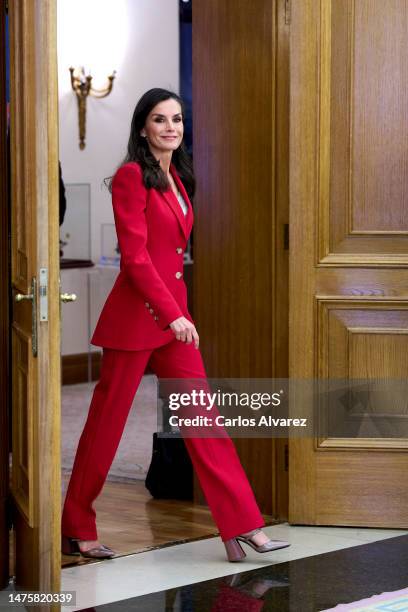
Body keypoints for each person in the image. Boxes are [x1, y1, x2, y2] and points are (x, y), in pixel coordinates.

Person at [61, 88, 290, 562]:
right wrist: (174, 314)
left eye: (178, 120)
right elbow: (136, 257)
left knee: (203, 419)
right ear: (143, 127)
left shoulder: (180, 179)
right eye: (160, 120)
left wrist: (177, 314)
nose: (171, 128)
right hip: (139, 318)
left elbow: (171, 258)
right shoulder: (130, 177)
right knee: (106, 425)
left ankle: (242, 524)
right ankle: (77, 523)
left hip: (173, 320)